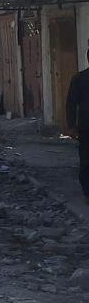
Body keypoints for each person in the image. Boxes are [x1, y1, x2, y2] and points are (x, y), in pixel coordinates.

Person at [65, 51, 89, 200]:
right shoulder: (80, 79)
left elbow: (71, 104)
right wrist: (72, 126)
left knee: (86, 160)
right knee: (86, 160)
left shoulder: (79, 78)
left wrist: (72, 126)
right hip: (86, 127)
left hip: (85, 126)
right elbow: (71, 104)